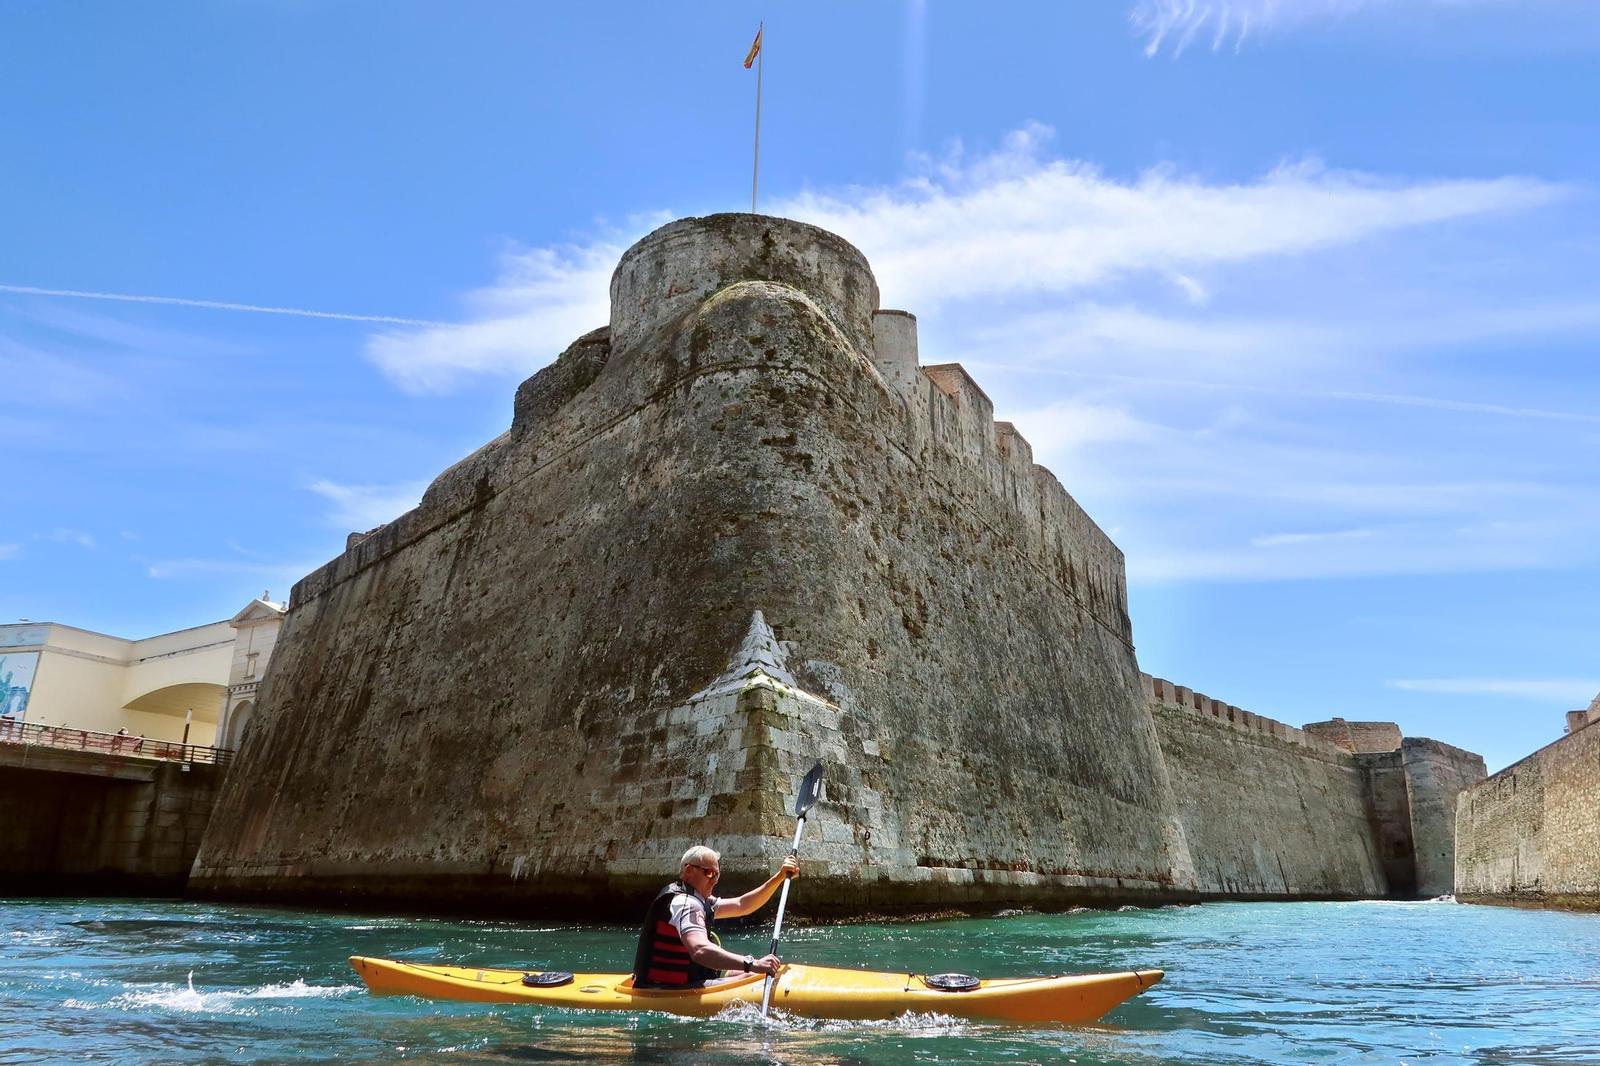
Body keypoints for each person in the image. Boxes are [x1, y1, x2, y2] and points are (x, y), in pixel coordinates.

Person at [632, 845, 800, 988]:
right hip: (665, 988)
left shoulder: (699, 899)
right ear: (689, 871)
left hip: (693, 978)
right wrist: (752, 963)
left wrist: (779, 877)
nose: (715, 880)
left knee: (752, 972)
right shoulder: (685, 904)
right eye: (709, 873)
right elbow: (700, 950)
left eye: (717, 874)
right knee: (754, 976)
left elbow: (743, 905)